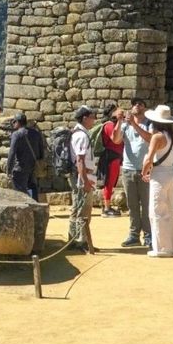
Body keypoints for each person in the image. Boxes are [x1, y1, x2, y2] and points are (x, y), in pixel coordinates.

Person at [140, 105, 173, 257]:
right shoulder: (172, 135)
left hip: (160, 174)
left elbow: (149, 159)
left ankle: (163, 248)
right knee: (169, 209)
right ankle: (172, 244)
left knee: (157, 211)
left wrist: (144, 172)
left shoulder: (157, 137)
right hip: (170, 172)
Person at [113, 98, 152, 248]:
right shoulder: (125, 125)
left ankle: (148, 235)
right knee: (132, 205)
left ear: (144, 108)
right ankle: (134, 235)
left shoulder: (149, 124)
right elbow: (116, 140)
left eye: (140, 104)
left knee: (147, 205)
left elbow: (150, 138)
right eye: (134, 104)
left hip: (145, 170)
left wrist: (134, 125)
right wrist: (119, 121)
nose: (136, 106)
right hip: (128, 169)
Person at [68, 107, 101, 253]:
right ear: (85, 118)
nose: (94, 120)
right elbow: (80, 160)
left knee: (77, 208)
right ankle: (81, 241)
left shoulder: (77, 133)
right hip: (82, 176)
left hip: (80, 175)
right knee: (83, 210)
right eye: (92, 117)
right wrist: (85, 181)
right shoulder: (81, 136)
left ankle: (74, 240)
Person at [97, 104, 123, 218]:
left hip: (114, 156)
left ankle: (107, 207)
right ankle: (106, 208)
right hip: (111, 157)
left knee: (111, 182)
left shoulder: (112, 124)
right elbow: (115, 140)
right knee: (109, 182)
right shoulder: (109, 125)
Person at [6, 113, 38, 198]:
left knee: (20, 193)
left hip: (20, 168)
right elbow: (40, 150)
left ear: (18, 122)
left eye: (14, 122)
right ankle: (36, 205)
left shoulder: (16, 134)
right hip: (32, 167)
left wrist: (8, 169)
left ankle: (26, 206)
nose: (13, 124)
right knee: (32, 188)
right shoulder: (35, 133)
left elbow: (12, 153)